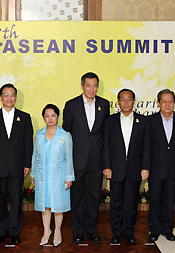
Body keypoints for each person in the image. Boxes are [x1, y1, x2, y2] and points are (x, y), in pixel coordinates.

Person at [62, 72, 109, 244]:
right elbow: (66, 134)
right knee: (77, 197)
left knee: (94, 197)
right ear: (82, 86)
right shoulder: (71, 105)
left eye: (95, 85)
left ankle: (91, 229)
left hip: (96, 161)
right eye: (88, 85)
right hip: (77, 160)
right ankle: (78, 231)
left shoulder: (103, 105)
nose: (92, 89)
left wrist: (105, 162)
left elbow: (105, 135)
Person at [0, 83, 33, 246]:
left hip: (18, 166)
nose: (9, 98)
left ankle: (15, 232)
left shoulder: (25, 117)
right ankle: (2, 232)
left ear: (16, 97)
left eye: (12, 95)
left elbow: (28, 143)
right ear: (1, 98)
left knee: (16, 201)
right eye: (6, 95)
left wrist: (27, 163)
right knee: (0, 202)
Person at [103, 88, 150, 244]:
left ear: (134, 102)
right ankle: (116, 233)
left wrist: (145, 167)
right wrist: (107, 166)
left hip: (135, 169)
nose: (126, 102)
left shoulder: (143, 121)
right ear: (118, 102)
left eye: (129, 99)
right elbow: (106, 146)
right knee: (116, 203)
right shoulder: (110, 121)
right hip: (115, 169)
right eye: (122, 99)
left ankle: (129, 232)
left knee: (131, 204)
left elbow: (146, 147)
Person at [147, 89, 175, 242]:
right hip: (155, 168)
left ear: (174, 103)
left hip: (174, 168)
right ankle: (154, 229)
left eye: (170, 101)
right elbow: (146, 147)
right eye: (164, 101)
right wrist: (146, 167)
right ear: (158, 103)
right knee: (155, 200)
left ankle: (167, 229)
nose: (167, 104)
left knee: (170, 201)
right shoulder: (150, 121)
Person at [31, 104, 75, 247]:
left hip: (59, 177)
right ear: (44, 117)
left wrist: (69, 177)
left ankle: (57, 231)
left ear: (58, 117)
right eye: (47, 116)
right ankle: (46, 231)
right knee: (45, 206)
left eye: (53, 116)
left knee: (58, 206)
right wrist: (33, 174)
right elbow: (35, 156)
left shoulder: (65, 135)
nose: (50, 119)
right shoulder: (39, 134)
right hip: (43, 176)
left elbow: (69, 158)